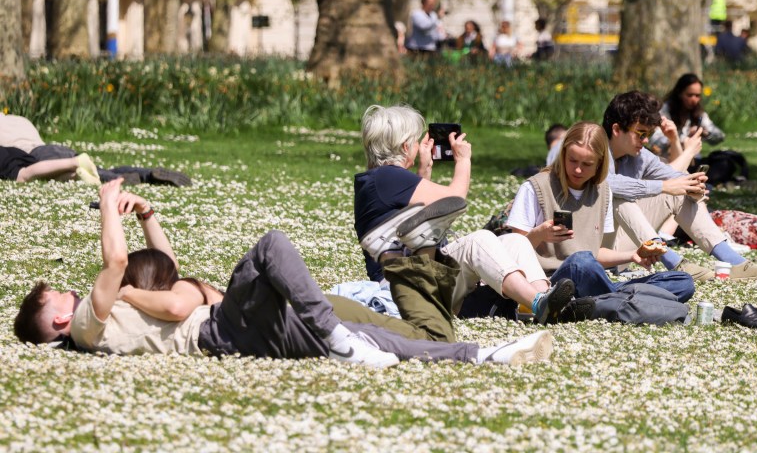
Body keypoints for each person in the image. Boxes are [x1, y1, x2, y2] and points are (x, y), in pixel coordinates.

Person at [14, 179, 554, 368]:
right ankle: (336, 337)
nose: (70, 291)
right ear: (58, 320)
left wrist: (149, 217)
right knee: (271, 245)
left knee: (373, 338)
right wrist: (108, 205)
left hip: (234, 329)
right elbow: (120, 266)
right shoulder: (88, 324)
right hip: (220, 327)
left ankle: (482, 354)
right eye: (56, 296)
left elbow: (170, 270)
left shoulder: (114, 318)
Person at [354, 105, 579, 329]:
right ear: (405, 146)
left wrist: (424, 173)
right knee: (478, 240)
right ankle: (538, 303)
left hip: (422, 274)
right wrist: (463, 160)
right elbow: (455, 198)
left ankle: (544, 302)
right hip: (406, 284)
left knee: (516, 241)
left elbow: (424, 220)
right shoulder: (386, 178)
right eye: (414, 140)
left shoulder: (381, 180)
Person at [602, 91, 757, 283]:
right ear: (616, 129)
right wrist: (665, 186)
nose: (646, 140)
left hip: (622, 251)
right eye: (641, 134)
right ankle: (674, 263)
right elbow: (607, 183)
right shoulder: (593, 147)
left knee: (679, 190)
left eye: (648, 134)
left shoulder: (639, 156)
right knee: (619, 194)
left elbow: (673, 177)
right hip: (592, 252)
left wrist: (692, 184)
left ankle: (734, 262)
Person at [505, 122, 696, 302]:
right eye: (572, 160)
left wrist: (632, 255)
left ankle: (609, 300)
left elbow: (595, 254)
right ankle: (619, 300)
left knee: (682, 281)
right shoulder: (536, 187)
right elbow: (514, 251)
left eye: (587, 164)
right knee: (580, 261)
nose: (578, 169)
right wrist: (540, 234)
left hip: (590, 280)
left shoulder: (603, 191)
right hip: (549, 284)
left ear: (600, 163)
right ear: (562, 155)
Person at [0, 113, 192, 186]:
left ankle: (119, 180)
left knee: (84, 172)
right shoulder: (19, 120)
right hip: (51, 148)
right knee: (97, 167)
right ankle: (147, 174)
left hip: (38, 155)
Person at [648, 74, 724, 164]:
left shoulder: (698, 113)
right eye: (690, 95)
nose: (694, 99)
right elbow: (655, 141)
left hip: (693, 160)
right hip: (668, 161)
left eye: (697, 95)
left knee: (724, 161)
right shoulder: (665, 110)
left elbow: (720, 136)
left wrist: (703, 133)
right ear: (679, 93)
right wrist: (680, 139)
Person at [0, 146, 101, 185]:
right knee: (39, 175)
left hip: (3, 156)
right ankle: (75, 176)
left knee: (22, 175)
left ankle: (75, 162)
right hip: (11, 151)